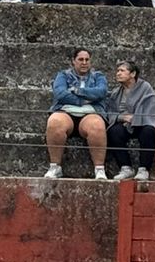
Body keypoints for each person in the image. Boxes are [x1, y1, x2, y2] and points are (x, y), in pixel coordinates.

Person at [44, 48, 109, 180]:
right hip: (66, 111)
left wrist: (77, 91)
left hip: (91, 112)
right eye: (80, 59)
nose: (84, 62)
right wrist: (85, 99)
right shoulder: (63, 75)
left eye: (87, 60)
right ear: (73, 61)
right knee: (54, 122)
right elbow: (60, 93)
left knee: (97, 125)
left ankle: (99, 169)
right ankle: (55, 166)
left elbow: (101, 92)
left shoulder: (98, 76)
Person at [106, 59, 155, 181]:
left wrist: (135, 119)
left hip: (143, 122)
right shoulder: (116, 92)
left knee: (149, 131)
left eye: (122, 71)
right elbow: (110, 112)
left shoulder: (145, 88)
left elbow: (150, 109)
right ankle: (126, 168)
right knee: (113, 131)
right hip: (124, 123)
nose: (118, 73)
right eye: (117, 71)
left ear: (133, 74)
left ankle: (143, 169)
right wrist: (122, 117)